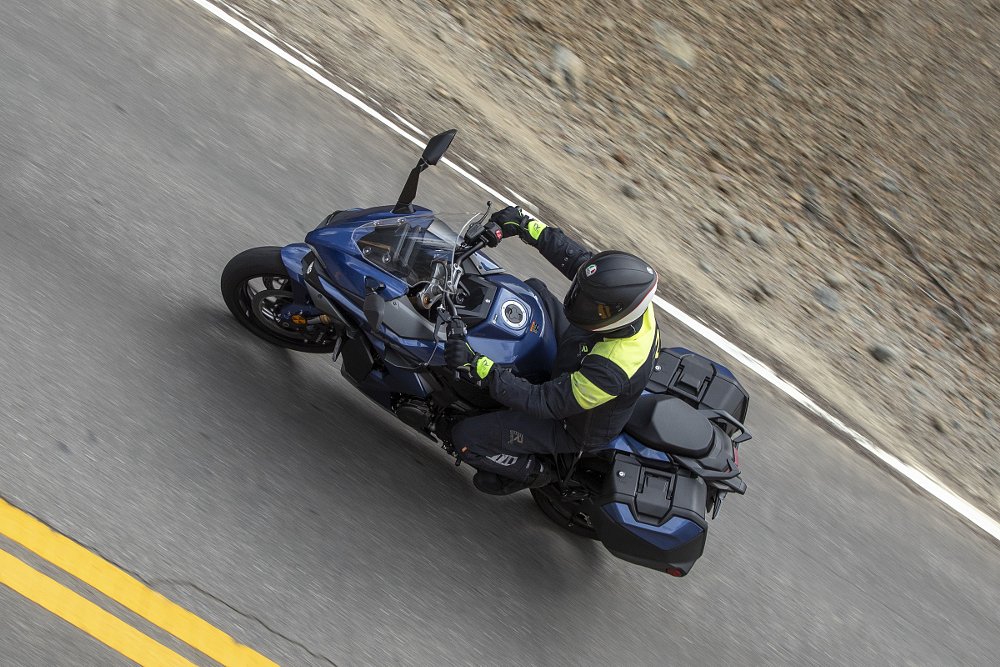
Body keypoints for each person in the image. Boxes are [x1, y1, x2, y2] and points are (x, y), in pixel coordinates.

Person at [444, 206, 661, 495]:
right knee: (532, 291)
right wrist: (525, 225)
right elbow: (578, 262)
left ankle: (538, 473)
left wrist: (478, 366)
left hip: (569, 423)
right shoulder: (627, 301)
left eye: (591, 306)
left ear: (617, 316)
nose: (580, 301)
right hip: (579, 350)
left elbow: (546, 401)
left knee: (466, 437)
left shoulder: (613, 368)